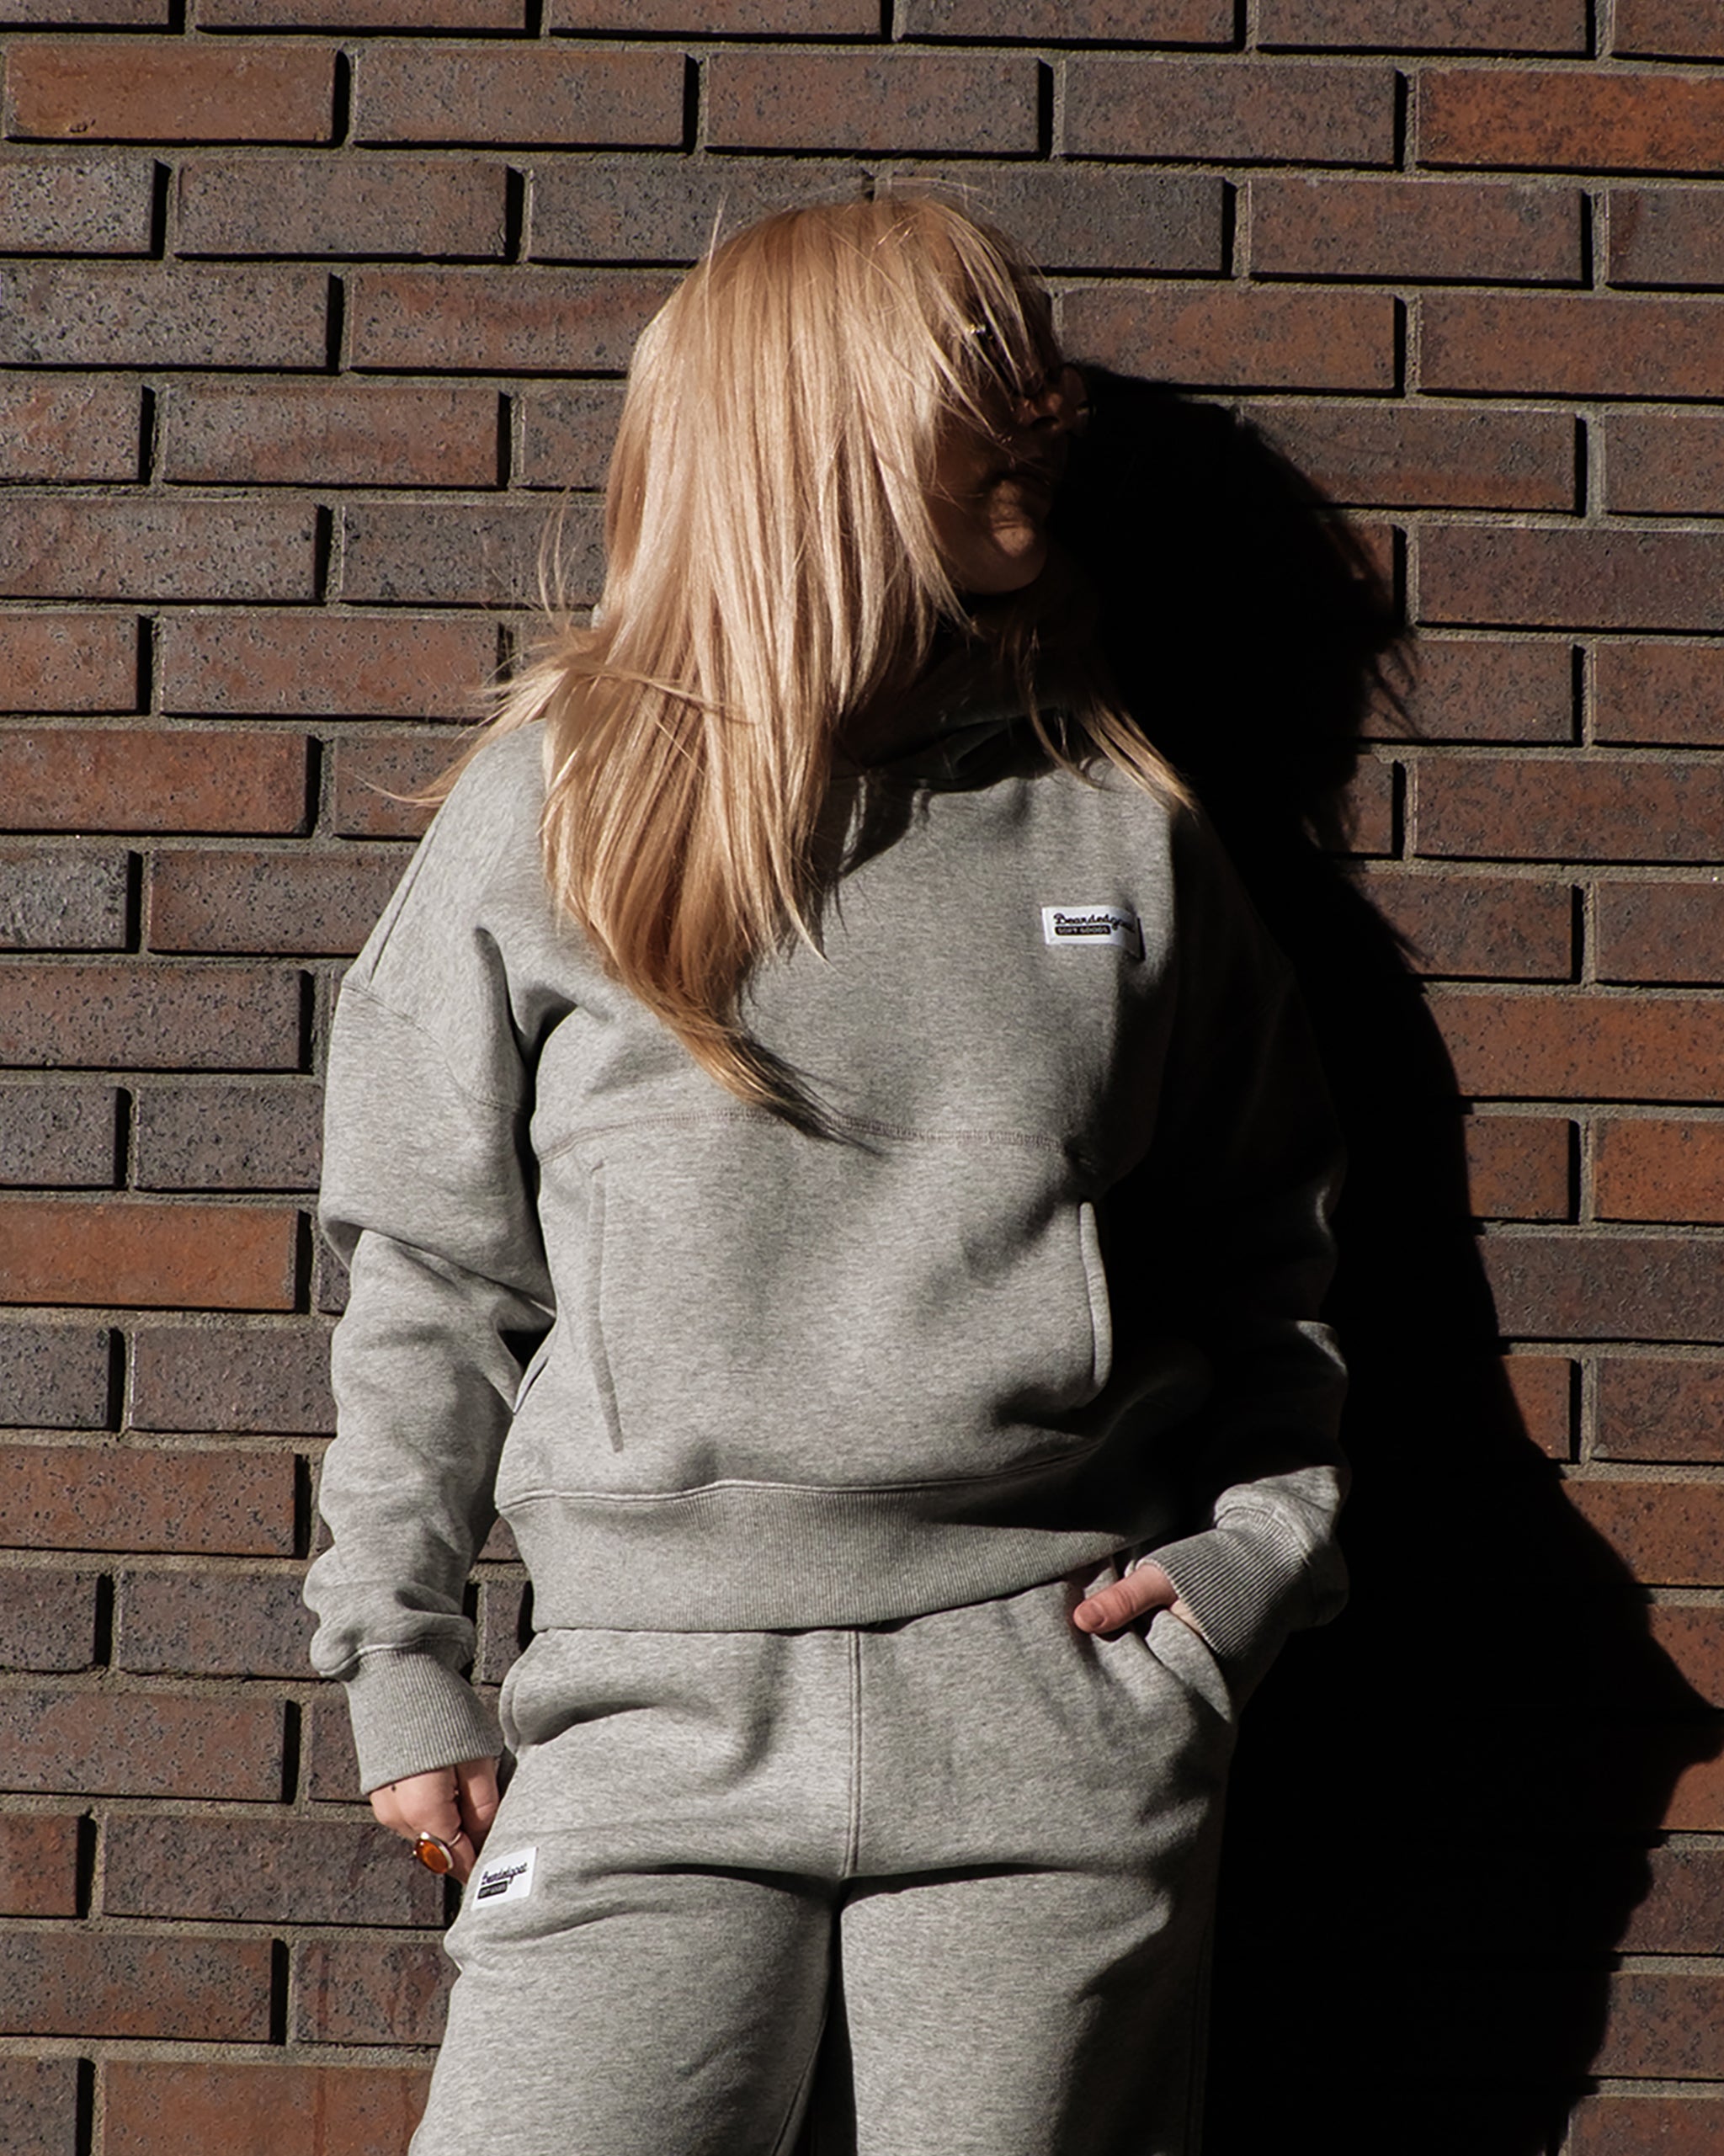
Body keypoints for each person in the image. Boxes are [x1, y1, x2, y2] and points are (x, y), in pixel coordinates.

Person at [304, 191, 1349, 2156]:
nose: (1043, 412)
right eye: (985, 373)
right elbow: (430, 1282)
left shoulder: (1121, 836)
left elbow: (1265, 1264)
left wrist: (1248, 1574)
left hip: (1051, 1720)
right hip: (641, 1723)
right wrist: (400, 1665)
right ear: (825, 425)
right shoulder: (561, 813)